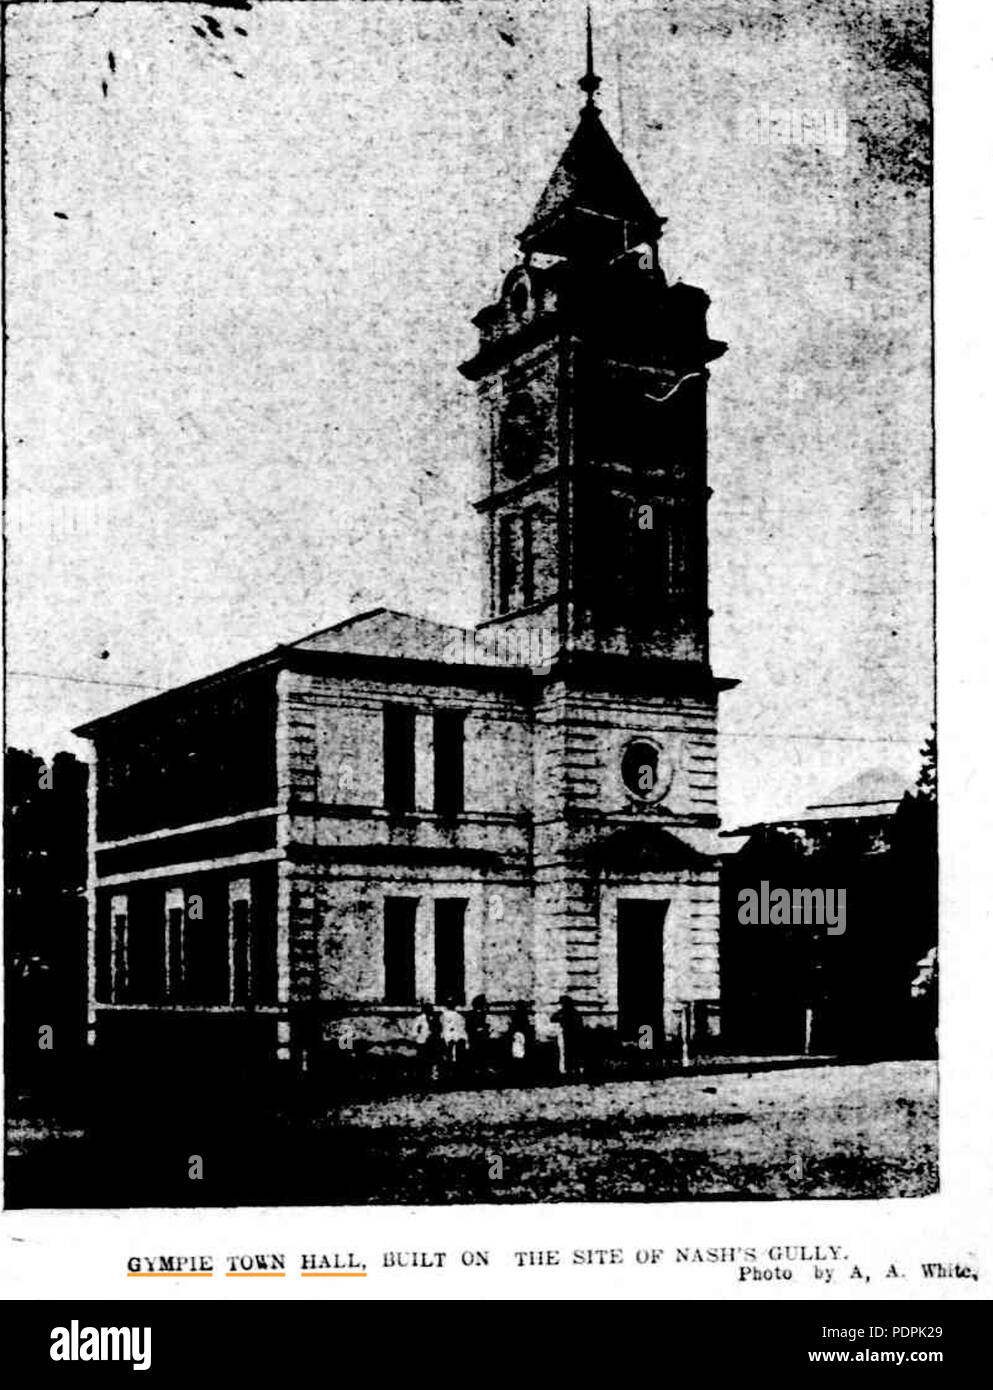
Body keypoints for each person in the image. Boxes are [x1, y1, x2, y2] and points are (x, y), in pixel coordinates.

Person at [551, 994, 584, 1079]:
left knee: (570, 1052)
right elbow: (553, 1018)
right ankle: (573, 1070)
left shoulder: (568, 1012)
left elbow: (553, 1018)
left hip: (570, 1034)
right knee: (571, 1052)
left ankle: (572, 1070)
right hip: (571, 1035)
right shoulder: (574, 1012)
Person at [413, 1002, 443, 1083]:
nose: (430, 1010)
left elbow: (439, 1029)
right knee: (422, 1060)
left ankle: (433, 1077)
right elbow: (414, 1031)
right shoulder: (419, 1019)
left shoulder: (436, 1018)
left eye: (431, 1009)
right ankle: (422, 1077)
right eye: (427, 1009)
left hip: (433, 1041)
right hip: (423, 1042)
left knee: (433, 1059)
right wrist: (420, 1037)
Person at [439, 998, 468, 1072]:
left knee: (456, 1056)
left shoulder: (458, 1016)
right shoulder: (444, 1015)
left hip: (456, 1037)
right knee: (448, 1055)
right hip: (447, 1037)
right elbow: (444, 1026)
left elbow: (461, 1027)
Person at [465, 994, 490, 1072]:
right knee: (475, 1055)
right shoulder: (471, 1014)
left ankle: (482, 1068)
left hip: (483, 1039)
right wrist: (479, 1029)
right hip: (475, 1039)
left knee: (483, 1054)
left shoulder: (483, 1014)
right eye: (483, 1003)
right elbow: (468, 1028)